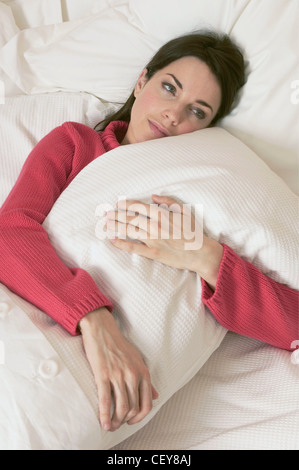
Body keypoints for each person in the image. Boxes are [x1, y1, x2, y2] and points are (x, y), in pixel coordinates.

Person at [0, 31, 297, 434]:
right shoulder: (76, 143)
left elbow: (293, 322)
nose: (174, 114)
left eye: (198, 111)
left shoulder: (206, 184)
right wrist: (92, 317)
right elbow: (11, 230)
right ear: (142, 82)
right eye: (169, 88)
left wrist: (205, 257)